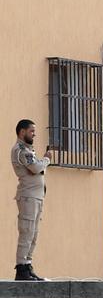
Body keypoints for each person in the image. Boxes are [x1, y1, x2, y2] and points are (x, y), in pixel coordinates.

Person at [11, 119, 53, 281]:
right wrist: (46, 159)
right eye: (31, 131)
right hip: (28, 197)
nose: (34, 134)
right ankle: (21, 269)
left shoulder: (28, 149)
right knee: (27, 232)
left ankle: (27, 266)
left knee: (33, 233)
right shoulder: (21, 149)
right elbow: (35, 167)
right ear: (22, 132)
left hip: (36, 197)